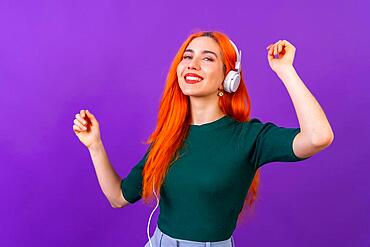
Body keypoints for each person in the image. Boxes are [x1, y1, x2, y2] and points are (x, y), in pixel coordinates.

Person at [73, 31, 334, 246]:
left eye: (207, 58)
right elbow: (118, 197)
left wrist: (285, 70)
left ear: (228, 78)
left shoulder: (249, 137)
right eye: (188, 56)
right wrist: (94, 145)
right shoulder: (168, 136)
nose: (192, 64)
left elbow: (318, 136)